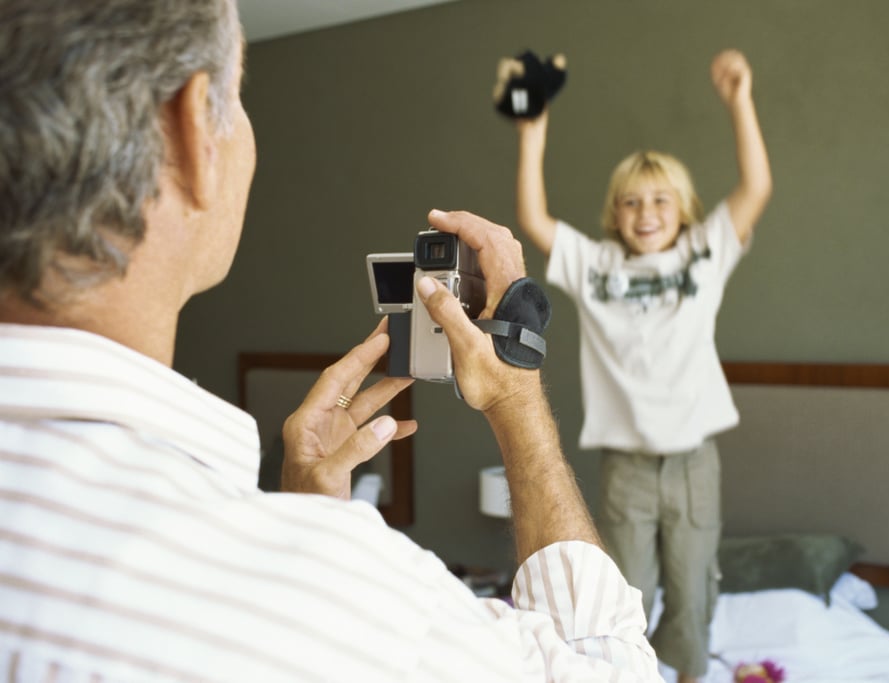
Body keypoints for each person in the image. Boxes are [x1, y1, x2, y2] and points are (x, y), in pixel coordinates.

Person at [0, 1, 664, 680]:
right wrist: (516, 400)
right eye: (240, 96)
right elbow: (612, 667)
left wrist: (304, 520)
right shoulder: (352, 611)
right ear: (191, 126)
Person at [496, 49, 772, 683]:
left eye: (660, 200)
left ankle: (690, 675)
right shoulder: (596, 267)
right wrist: (533, 134)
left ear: (684, 209)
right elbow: (534, 219)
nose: (646, 214)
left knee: (693, 595)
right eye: (630, 203)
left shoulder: (705, 254)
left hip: (694, 463)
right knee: (621, 599)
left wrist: (739, 102)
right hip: (626, 470)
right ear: (613, 214)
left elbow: (756, 188)